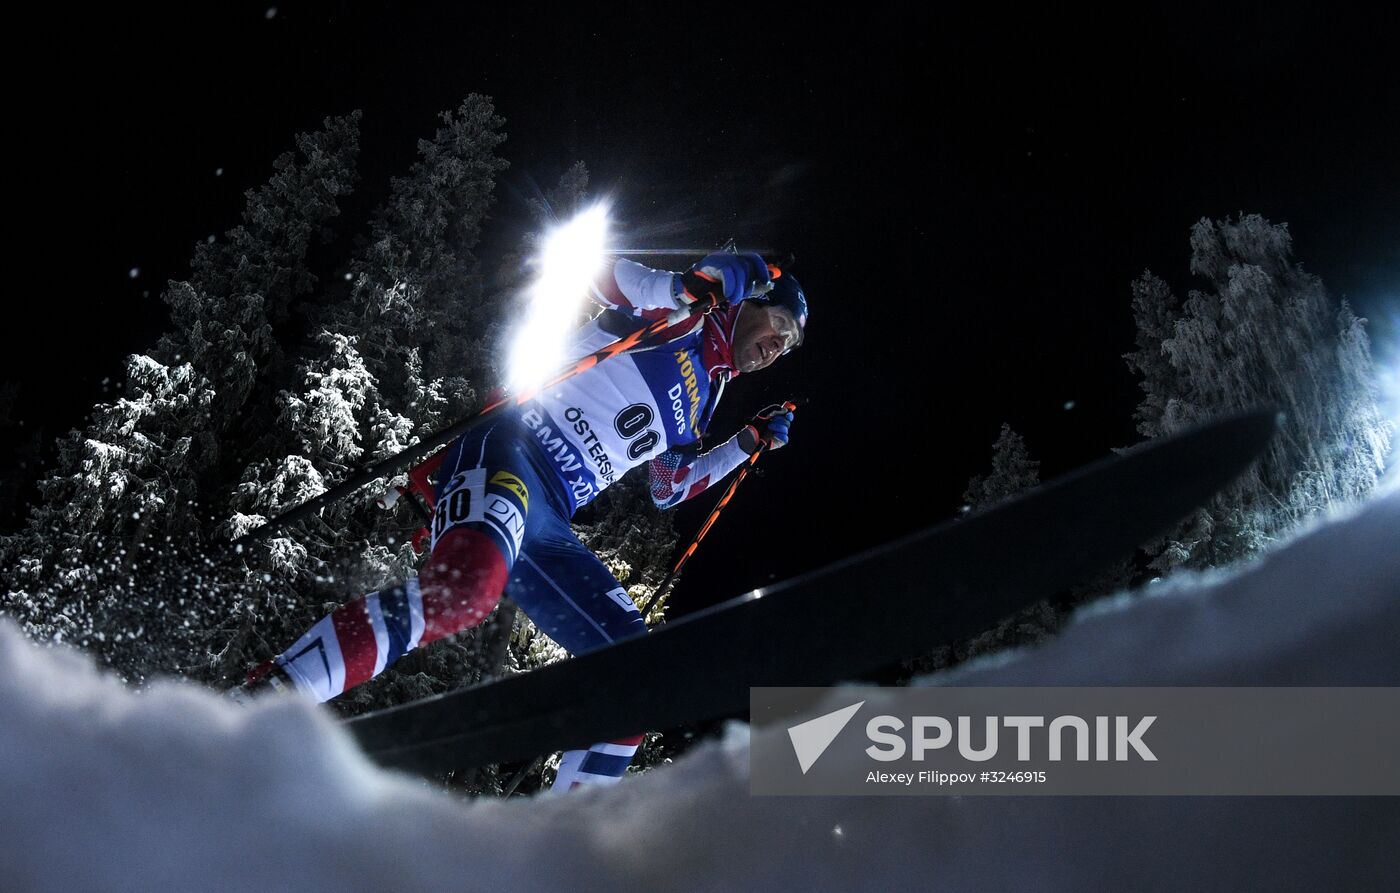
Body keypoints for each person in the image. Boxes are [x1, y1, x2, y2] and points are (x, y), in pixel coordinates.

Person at [234, 251, 808, 792]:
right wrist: (693, 282)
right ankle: (264, 700)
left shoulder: (706, 396)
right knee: (463, 593)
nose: (776, 346)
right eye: (777, 324)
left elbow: (669, 488)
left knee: (640, 677)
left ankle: (560, 847)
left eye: (788, 344)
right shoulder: (681, 316)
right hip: (511, 450)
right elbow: (603, 276)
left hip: (553, 517)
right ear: (747, 301)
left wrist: (744, 442)